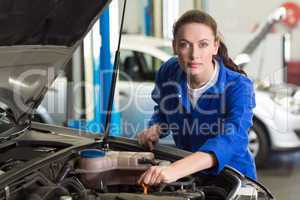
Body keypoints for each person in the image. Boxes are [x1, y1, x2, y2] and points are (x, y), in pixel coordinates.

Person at [137, 9, 256, 185]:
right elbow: (163, 110)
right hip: (191, 178)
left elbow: (232, 139)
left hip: (233, 179)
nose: (194, 55)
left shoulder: (239, 86)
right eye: (185, 44)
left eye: (203, 44)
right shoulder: (169, 72)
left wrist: (174, 170)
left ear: (215, 46)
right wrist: (156, 128)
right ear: (175, 46)